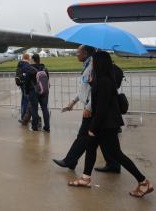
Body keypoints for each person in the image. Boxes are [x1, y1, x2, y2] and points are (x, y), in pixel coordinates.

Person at [68, 51, 153, 198]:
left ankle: (143, 182)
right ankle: (86, 178)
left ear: (99, 63)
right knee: (91, 147)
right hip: (104, 123)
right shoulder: (102, 79)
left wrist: (93, 128)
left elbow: (101, 108)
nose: (92, 64)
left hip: (106, 125)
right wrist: (91, 83)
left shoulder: (105, 81)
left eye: (94, 61)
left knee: (116, 154)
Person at [53, 45, 120, 172]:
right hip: (92, 107)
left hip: (92, 109)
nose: (76, 54)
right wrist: (73, 102)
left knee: (83, 136)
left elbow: (95, 91)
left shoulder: (93, 67)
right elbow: (84, 89)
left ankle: (70, 160)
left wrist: (88, 107)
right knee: (104, 139)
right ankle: (113, 164)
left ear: (85, 53)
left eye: (78, 52)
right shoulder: (88, 66)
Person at [30, 53, 50, 132]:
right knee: (45, 109)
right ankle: (47, 127)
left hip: (33, 91)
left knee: (34, 109)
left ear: (33, 60)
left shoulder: (30, 69)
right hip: (44, 91)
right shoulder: (44, 68)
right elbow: (47, 79)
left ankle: (34, 127)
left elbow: (27, 81)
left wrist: (27, 91)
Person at [15, 54, 31, 124]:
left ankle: (23, 116)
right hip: (26, 84)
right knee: (26, 101)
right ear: (28, 58)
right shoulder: (27, 65)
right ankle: (25, 117)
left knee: (23, 99)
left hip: (21, 84)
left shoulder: (20, 64)